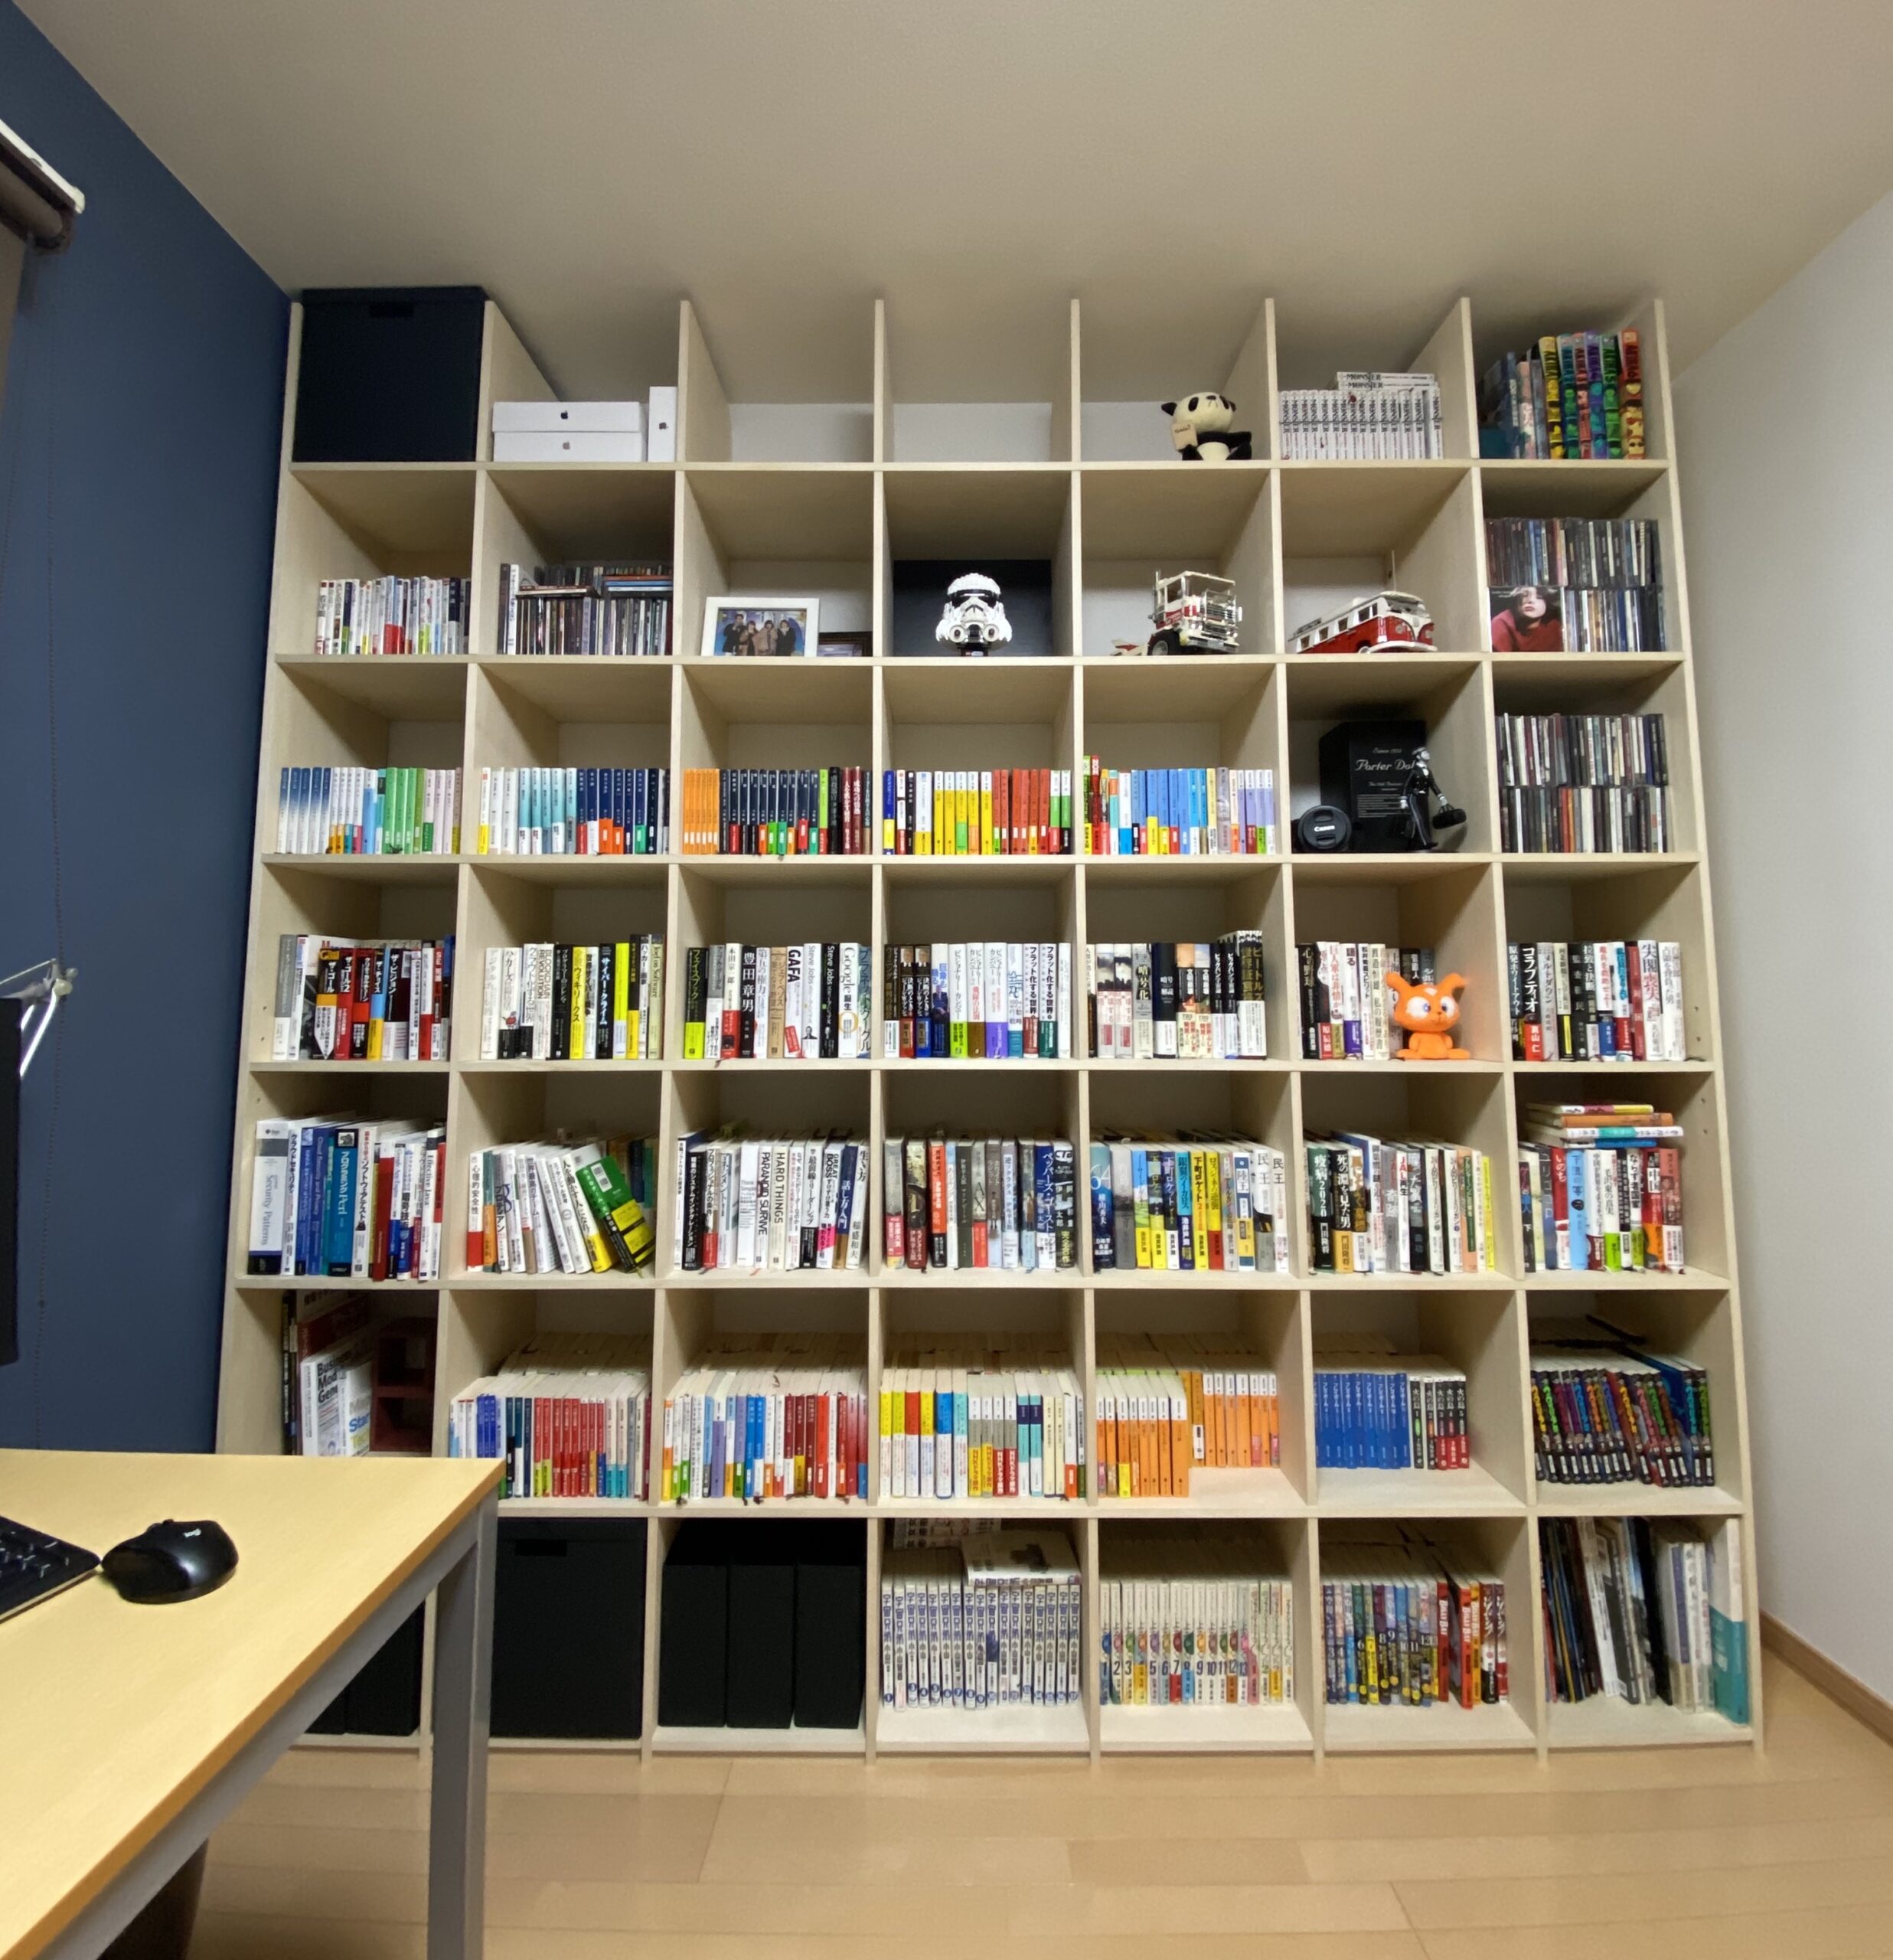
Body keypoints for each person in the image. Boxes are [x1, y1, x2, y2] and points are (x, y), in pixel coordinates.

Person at [1490, 585, 1563, 652]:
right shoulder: (1501, 622)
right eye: (1525, 595)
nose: (1530, 600)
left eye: (1539, 597)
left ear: (1548, 603)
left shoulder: (1555, 627)